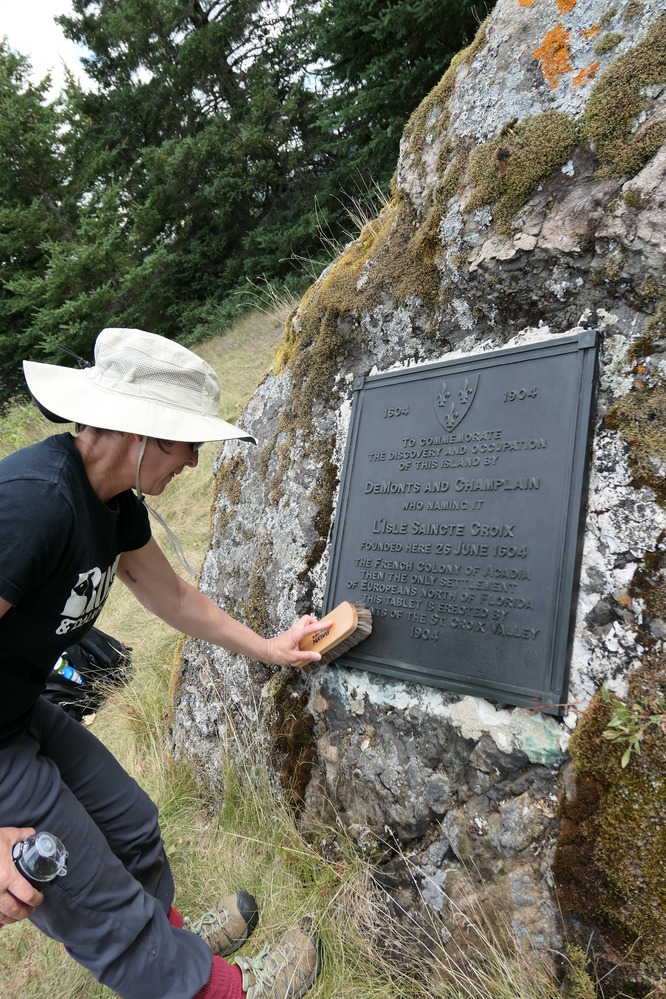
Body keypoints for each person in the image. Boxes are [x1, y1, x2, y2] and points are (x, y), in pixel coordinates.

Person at [0, 327, 332, 999]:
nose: (192, 460)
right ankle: (216, 989)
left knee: (131, 827)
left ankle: (176, 946)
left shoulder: (112, 503)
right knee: (94, 897)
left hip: (16, 713)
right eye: (188, 442)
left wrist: (270, 647)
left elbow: (172, 595)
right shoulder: (32, 505)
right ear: (142, 431)